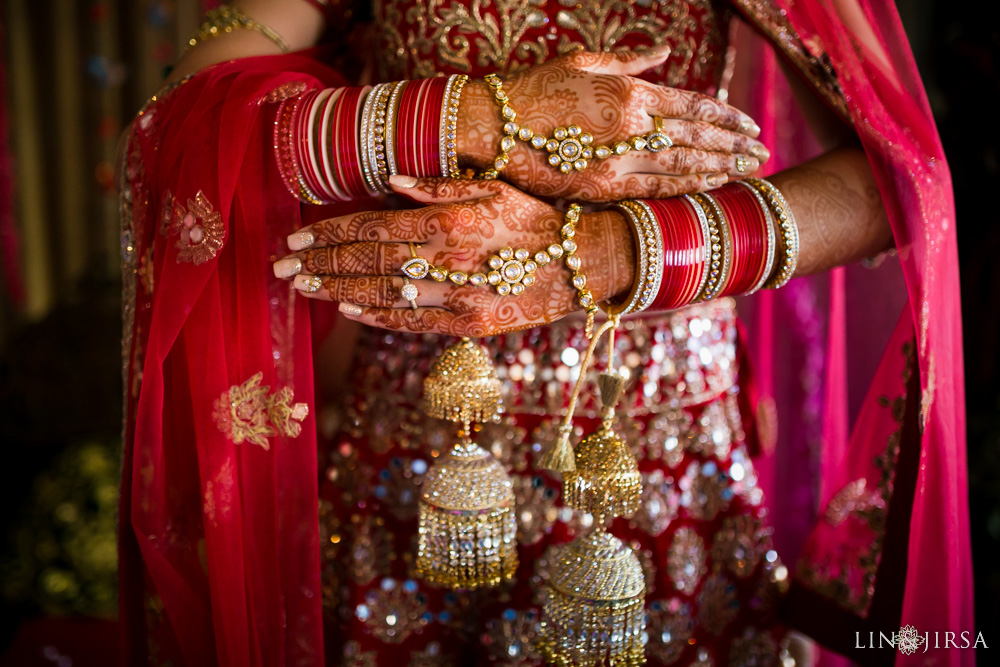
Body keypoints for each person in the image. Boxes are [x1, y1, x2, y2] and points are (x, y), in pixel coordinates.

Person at [118, 1, 972, 665]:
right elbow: (190, 120)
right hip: (422, 455)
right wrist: (479, 118)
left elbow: (896, 179)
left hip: (663, 450)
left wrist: (604, 256)